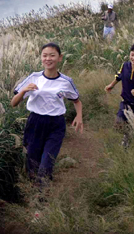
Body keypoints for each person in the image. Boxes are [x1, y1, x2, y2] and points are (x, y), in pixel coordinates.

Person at [11, 43, 84, 183]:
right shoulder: (34, 77)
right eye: (45, 55)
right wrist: (24, 90)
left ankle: (42, 197)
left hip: (56, 124)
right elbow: (13, 103)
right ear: (41, 58)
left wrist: (79, 116)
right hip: (35, 123)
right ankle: (33, 192)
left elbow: (76, 100)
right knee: (32, 162)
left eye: (52, 55)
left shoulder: (66, 81)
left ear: (60, 58)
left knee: (47, 163)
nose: (48, 59)